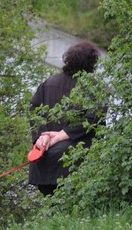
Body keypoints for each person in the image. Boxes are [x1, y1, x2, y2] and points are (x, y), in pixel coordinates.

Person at [28, 41, 101, 196]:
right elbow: (93, 119)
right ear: (91, 63)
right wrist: (60, 136)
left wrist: (42, 136)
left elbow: (33, 111)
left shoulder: (48, 83)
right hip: (72, 166)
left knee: (54, 211)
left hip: (42, 164)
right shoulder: (92, 88)